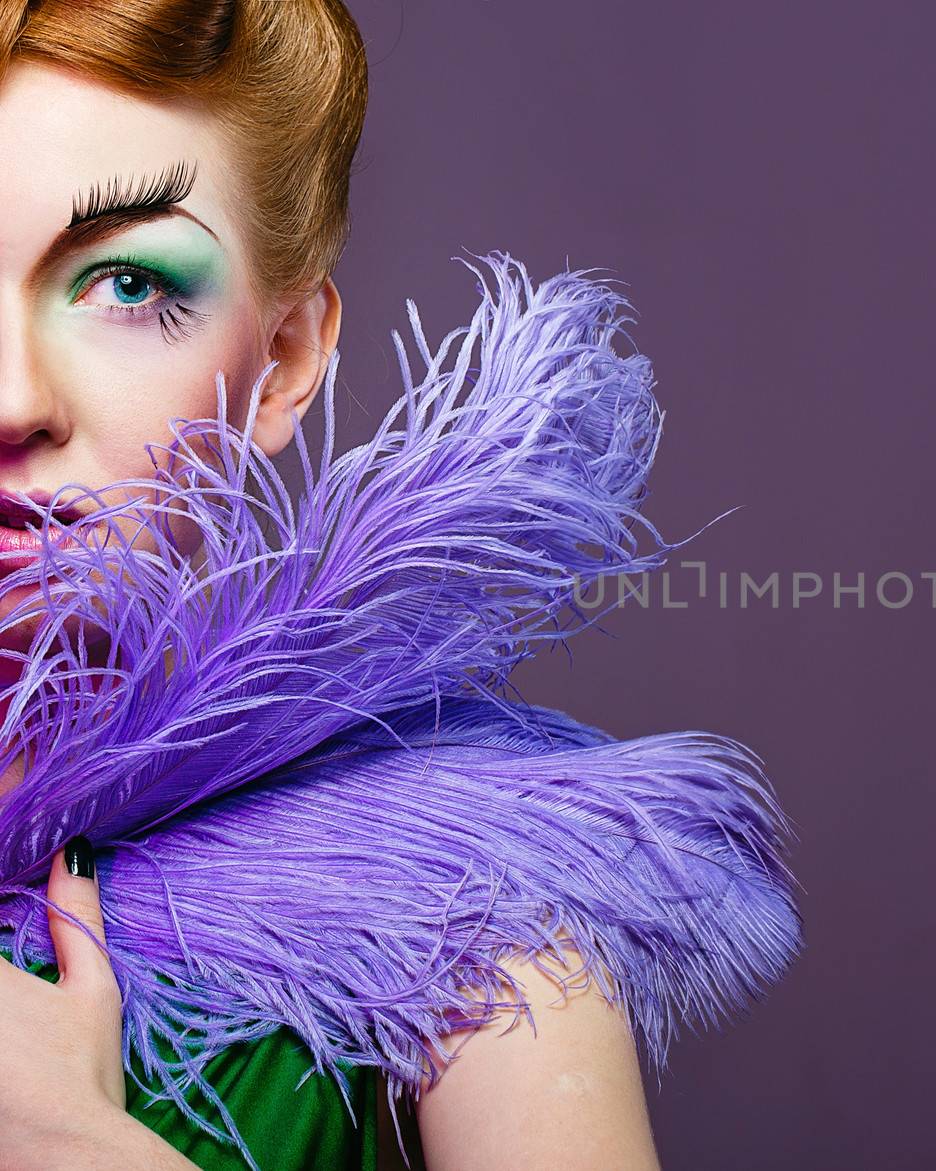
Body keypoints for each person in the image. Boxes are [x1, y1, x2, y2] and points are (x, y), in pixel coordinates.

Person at [0, 3, 802, 1169]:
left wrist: (70, 1143)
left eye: (127, 284)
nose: (14, 399)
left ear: (281, 361)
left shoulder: (464, 900)